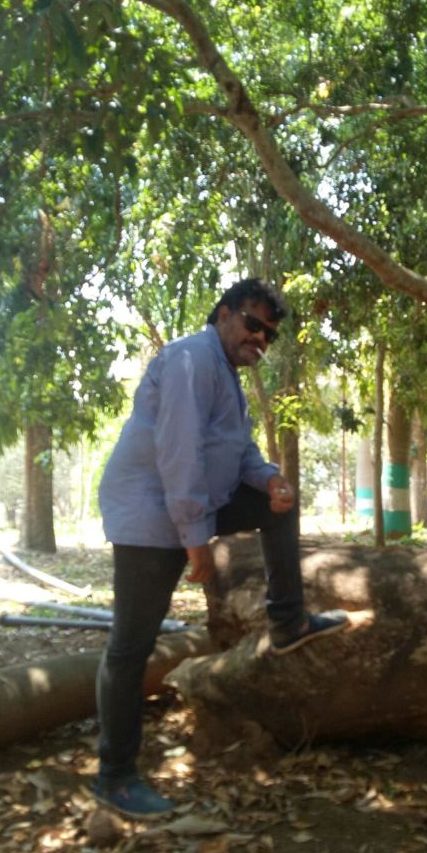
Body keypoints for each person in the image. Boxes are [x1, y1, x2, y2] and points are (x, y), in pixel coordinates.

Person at [94, 278, 348, 818]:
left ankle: (288, 620)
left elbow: (240, 453)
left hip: (192, 504)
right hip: (149, 514)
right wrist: (196, 542)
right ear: (225, 315)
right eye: (253, 325)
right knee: (130, 648)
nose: (260, 340)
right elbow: (179, 452)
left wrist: (270, 480)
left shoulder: (227, 378)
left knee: (280, 506)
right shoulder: (191, 359)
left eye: (269, 335)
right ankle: (114, 777)